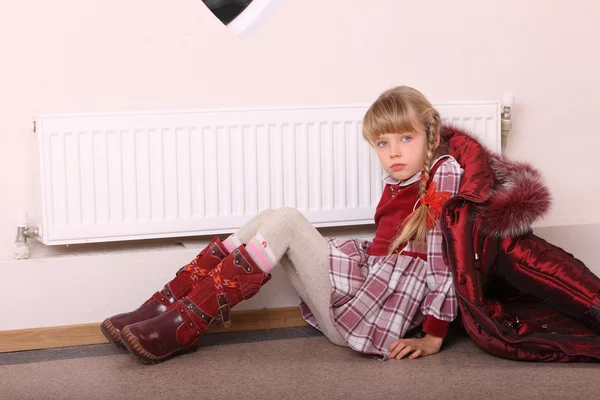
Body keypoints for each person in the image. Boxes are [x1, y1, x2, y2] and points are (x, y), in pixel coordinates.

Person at [102, 86, 600, 363]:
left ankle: (181, 324)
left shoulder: (443, 176)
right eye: (382, 145)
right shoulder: (401, 183)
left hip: (376, 316)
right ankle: (165, 306)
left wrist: (431, 335)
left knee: (289, 220)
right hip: (367, 289)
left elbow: (446, 265)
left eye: (403, 139)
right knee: (271, 217)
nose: (392, 153)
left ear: (430, 135)